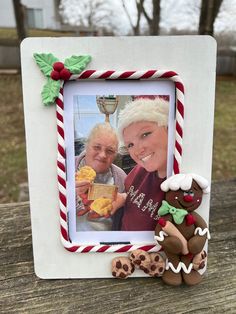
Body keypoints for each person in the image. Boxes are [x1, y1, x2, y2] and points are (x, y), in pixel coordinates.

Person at [112, 97, 169, 231]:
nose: (137, 150)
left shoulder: (180, 184)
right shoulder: (139, 170)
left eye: (145, 134)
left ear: (169, 129)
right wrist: (123, 198)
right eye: (130, 144)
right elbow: (137, 196)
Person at [75, 123, 127, 231]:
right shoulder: (65, 169)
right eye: (97, 147)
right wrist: (67, 194)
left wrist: (124, 198)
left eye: (110, 151)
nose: (103, 155)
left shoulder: (121, 178)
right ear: (86, 146)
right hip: (71, 242)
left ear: (115, 154)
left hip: (106, 242)